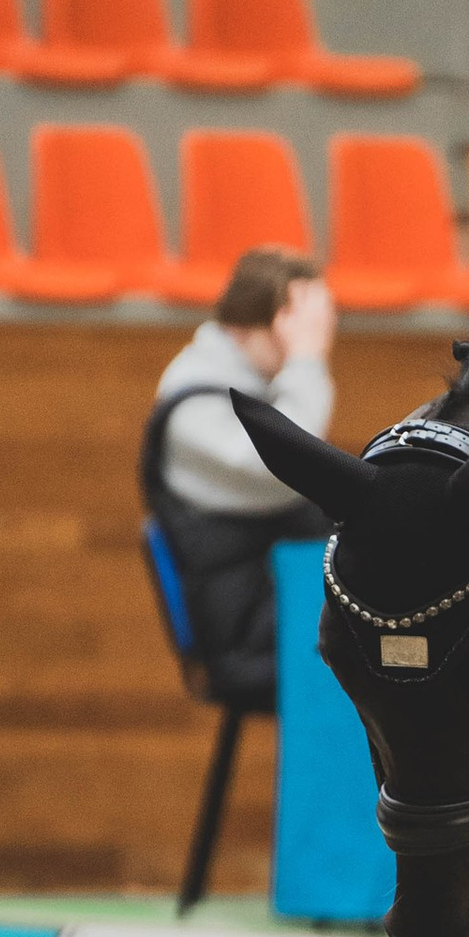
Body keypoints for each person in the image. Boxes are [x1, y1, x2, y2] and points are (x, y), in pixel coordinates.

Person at [140, 247, 339, 708]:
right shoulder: (193, 408)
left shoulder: (254, 386)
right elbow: (293, 467)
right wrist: (307, 361)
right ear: (270, 322)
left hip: (286, 621)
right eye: (307, 327)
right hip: (249, 644)